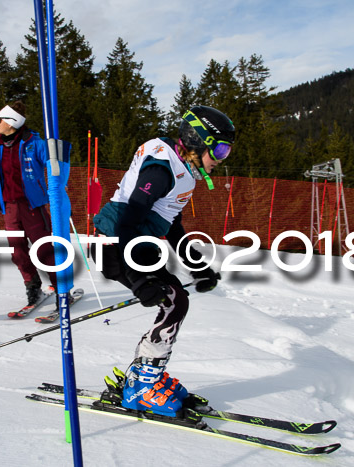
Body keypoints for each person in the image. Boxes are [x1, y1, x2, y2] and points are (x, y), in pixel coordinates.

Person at [91, 105, 235, 417]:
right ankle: (143, 384)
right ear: (197, 141)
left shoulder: (184, 172)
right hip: (115, 244)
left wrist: (198, 267)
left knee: (177, 300)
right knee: (173, 302)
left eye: (227, 151)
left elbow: (173, 226)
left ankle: (144, 375)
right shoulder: (160, 171)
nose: (222, 159)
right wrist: (140, 280)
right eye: (220, 150)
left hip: (136, 246)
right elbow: (128, 222)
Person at [0, 101, 71, 309]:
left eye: (0, 120)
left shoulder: (34, 143)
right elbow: (6, 172)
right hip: (10, 205)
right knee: (17, 251)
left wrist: (58, 183)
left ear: (11, 122)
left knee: (43, 249)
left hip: (32, 204)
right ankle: (32, 285)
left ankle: (62, 290)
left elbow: (54, 164)